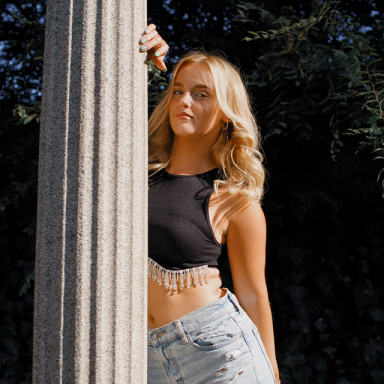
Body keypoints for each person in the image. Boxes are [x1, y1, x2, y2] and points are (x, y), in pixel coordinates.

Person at [139, 24, 280, 384]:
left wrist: (273, 374)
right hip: (144, 357)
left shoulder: (234, 200)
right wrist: (137, 55)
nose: (185, 101)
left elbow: (252, 294)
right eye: (178, 91)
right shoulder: (135, 175)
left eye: (201, 95)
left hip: (220, 354)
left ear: (224, 114)